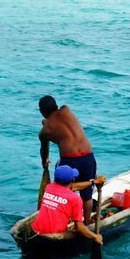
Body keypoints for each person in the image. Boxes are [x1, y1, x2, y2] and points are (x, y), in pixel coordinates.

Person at [39, 95, 97, 223]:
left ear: (42, 112)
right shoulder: (66, 110)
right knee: (87, 195)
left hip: (70, 160)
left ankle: (62, 221)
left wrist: (45, 161)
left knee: (61, 192)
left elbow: (44, 149)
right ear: (56, 105)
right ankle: (86, 222)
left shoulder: (45, 131)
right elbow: (57, 119)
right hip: (88, 156)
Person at [32, 164, 105, 243]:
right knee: (76, 232)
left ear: (55, 179)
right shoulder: (75, 198)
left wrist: (93, 182)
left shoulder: (49, 187)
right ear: (73, 180)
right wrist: (95, 236)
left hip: (36, 229)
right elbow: (79, 227)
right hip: (54, 235)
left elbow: (73, 187)